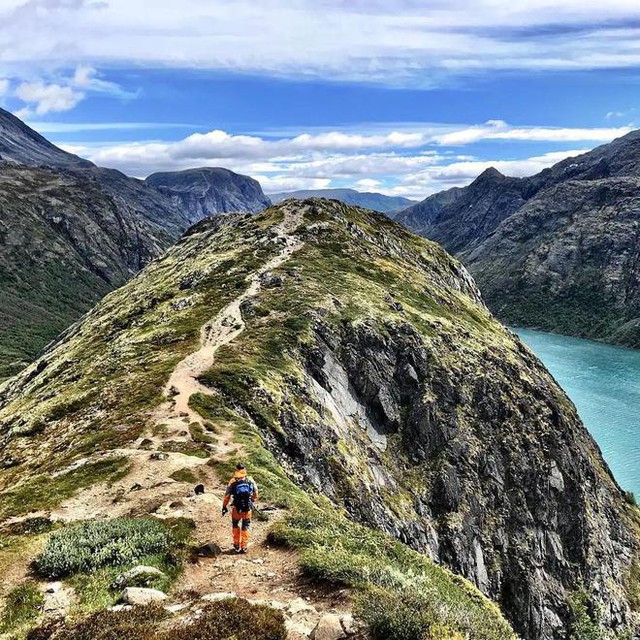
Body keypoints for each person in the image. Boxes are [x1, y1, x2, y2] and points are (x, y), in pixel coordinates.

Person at [221, 463, 259, 553]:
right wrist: (252, 500)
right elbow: (256, 493)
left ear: (236, 470)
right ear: (244, 470)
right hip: (247, 508)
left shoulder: (233, 481)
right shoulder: (250, 480)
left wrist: (224, 506)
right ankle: (244, 546)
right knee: (245, 526)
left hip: (236, 508)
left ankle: (236, 545)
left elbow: (227, 496)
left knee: (235, 524)